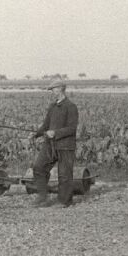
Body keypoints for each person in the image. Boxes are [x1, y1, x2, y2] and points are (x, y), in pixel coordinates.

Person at [29, 79, 79, 207]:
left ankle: (65, 201)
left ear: (61, 89)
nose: (52, 91)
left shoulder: (71, 107)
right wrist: (36, 134)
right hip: (50, 144)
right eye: (51, 89)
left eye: (53, 89)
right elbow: (46, 125)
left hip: (65, 146)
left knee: (64, 174)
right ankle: (42, 197)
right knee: (38, 167)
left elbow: (72, 129)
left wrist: (56, 133)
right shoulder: (52, 106)